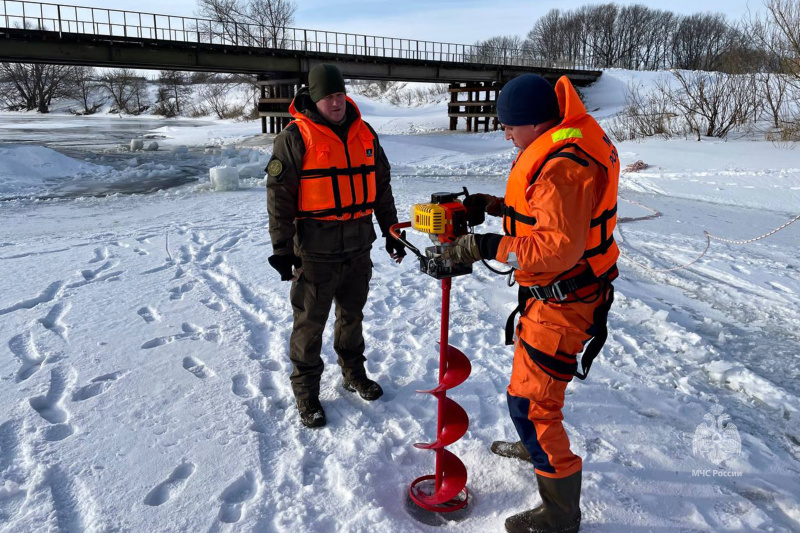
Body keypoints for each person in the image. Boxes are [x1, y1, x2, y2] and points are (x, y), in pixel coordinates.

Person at [444, 74, 620, 533]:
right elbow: (546, 212)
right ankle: (534, 446)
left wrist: (486, 246)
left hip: (566, 301)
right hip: (554, 298)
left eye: (509, 126)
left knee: (532, 404)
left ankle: (560, 514)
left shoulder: (564, 165)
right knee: (529, 393)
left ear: (536, 124)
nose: (505, 134)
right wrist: (498, 206)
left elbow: (555, 249)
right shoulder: (559, 147)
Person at [266, 64, 406, 429]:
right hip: (314, 254)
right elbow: (279, 198)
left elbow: (381, 187)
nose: (337, 101)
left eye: (341, 94)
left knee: (352, 317)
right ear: (314, 97)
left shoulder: (366, 134)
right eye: (329, 96)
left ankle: (353, 374)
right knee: (309, 325)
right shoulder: (295, 137)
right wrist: (283, 249)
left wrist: (391, 231)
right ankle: (307, 394)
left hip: (358, 249)